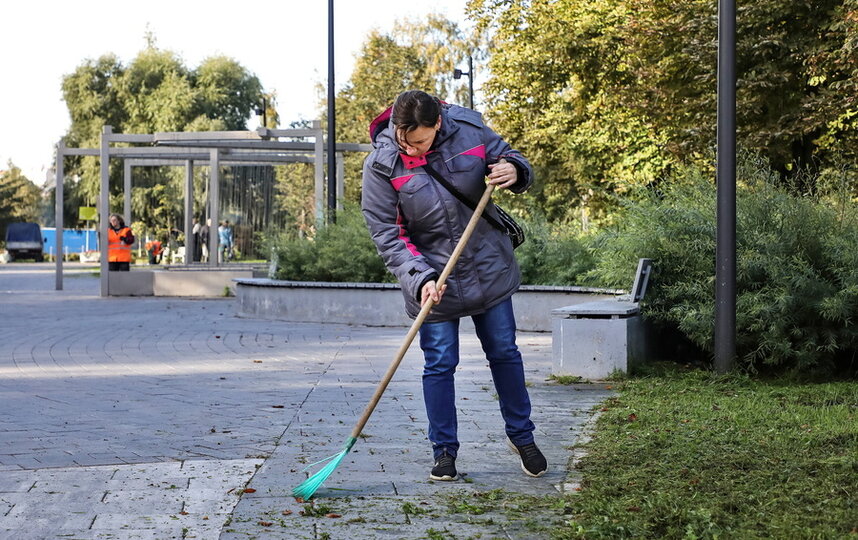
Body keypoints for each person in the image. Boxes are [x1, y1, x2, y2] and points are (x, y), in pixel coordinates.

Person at [361, 90, 547, 482]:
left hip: (487, 264)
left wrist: (514, 170)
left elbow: (509, 157)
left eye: (421, 141)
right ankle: (444, 451)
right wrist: (420, 277)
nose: (411, 147)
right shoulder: (381, 163)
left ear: (438, 125)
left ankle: (522, 436)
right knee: (440, 363)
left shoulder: (469, 129)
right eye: (403, 138)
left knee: (504, 352)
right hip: (433, 278)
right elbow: (387, 233)